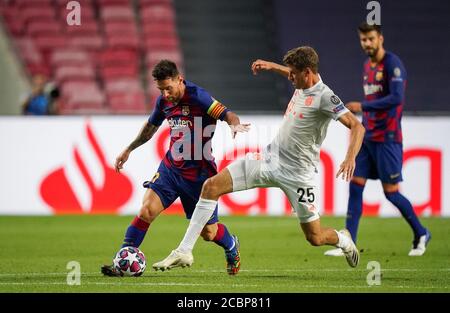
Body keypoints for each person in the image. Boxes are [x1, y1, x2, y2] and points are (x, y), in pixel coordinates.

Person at [152, 46, 366, 273]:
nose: (290, 77)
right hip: (268, 159)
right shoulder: (303, 81)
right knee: (211, 186)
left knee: (315, 237)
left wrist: (350, 157)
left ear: (307, 72)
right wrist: (272, 66)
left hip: (299, 176)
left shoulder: (325, 96)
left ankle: (343, 240)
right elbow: (291, 73)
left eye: (293, 73)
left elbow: (357, 126)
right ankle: (184, 250)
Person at [101, 60, 250, 276]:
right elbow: (150, 128)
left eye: (168, 88)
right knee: (146, 211)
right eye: (161, 90)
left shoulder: (199, 97)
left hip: (200, 177)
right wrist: (129, 149)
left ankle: (231, 245)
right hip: (171, 169)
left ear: (180, 79)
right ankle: (123, 261)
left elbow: (226, 113)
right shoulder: (164, 102)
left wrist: (234, 124)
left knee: (208, 232)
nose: (165, 94)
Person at [324, 23, 431, 258]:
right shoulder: (367, 66)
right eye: (363, 40)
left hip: (388, 138)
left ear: (380, 38)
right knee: (355, 186)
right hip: (369, 136)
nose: (367, 44)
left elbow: (396, 98)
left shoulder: (393, 64)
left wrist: (362, 106)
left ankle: (421, 233)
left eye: (371, 39)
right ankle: (348, 242)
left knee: (391, 192)